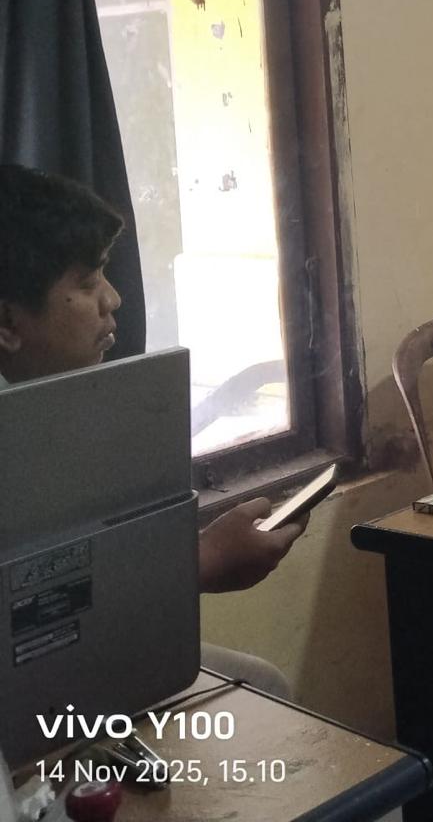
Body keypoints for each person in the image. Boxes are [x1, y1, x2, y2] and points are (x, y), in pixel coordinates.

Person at [0, 163, 303, 693]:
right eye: (87, 282)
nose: (113, 299)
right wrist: (199, 564)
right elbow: (26, 611)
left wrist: (193, 553)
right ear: (8, 322)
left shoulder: (46, 408)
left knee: (262, 683)